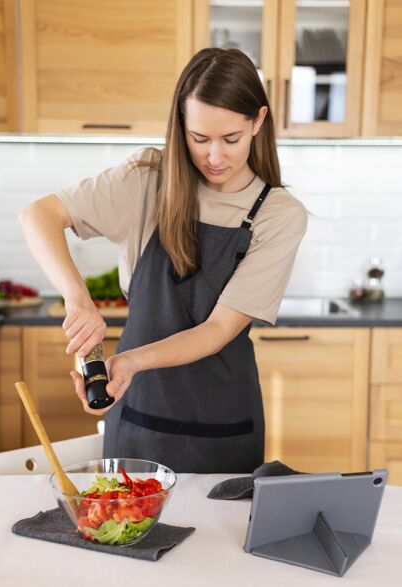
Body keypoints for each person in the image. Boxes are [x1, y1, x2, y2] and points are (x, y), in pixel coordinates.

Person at [19, 48, 307, 474]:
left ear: (258, 122)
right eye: (198, 138)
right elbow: (38, 215)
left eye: (230, 139)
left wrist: (132, 361)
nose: (214, 157)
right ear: (180, 125)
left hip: (224, 424)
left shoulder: (278, 214)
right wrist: (77, 299)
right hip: (138, 415)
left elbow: (217, 330)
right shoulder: (148, 180)